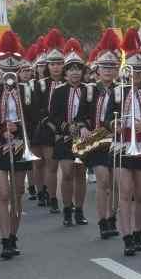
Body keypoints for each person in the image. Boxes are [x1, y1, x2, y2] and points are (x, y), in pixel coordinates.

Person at [105, 29, 141, 256]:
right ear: (125, 71)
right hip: (121, 146)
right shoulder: (117, 93)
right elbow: (106, 119)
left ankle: (138, 232)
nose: (136, 75)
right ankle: (126, 236)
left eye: (140, 71)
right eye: (132, 70)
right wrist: (115, 125)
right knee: (125, 192)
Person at [0, 32, 31, 259]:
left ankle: (14, 234)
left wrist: (18, 129)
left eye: (13, 71)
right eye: (5, 71)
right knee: (2, 194)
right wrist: (2, 130)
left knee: (17, 193)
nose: (9, 75)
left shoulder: (26, 92)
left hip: (21, 147)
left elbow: (33, 120)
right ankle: (4, 238)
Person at [48, 39, 93, 227]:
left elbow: (94, 113)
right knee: (66, 173)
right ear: (65, 73)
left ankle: (80, 210)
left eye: (78, 69)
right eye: (71, 69)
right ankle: (67, 208)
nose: (75, 72)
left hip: (83, 137)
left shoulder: (89, 90)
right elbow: (53, 117)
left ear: (82, 72)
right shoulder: (58, 91)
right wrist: (66, 127)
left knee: (80, 173)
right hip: (65, 138)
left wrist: (84, 125)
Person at [83, 30, 121, 238]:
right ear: (98, 69)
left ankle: (113, 217)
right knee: (103, 181)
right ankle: (102, 221)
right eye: (104, 66)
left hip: (117, 140)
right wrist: (82, 128)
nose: (108, 70)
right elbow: (80, 116)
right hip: (97, 142)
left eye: (112, 67)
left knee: (116, 183)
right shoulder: (89, 90)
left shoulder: (123, 90)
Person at [32, 30, 65, 214]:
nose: (56, 67)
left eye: (59, 63)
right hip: (41, 129)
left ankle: (53, 197)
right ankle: (41, 191)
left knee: (52, 165)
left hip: (61, 130)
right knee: (39, 163)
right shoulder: (39, 84)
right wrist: (50, 123)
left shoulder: (69, 83)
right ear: (48, 65)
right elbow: (36, 108)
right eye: (53, 64)